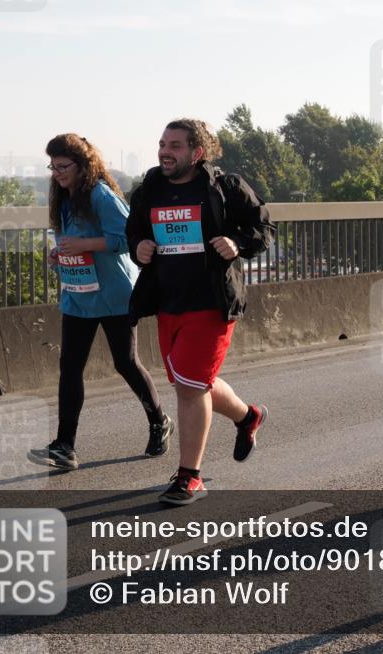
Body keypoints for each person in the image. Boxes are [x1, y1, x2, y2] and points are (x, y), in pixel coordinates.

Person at [126, 119, 274, 505]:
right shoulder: (149, 190)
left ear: (197, 152)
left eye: (174, 145)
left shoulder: (223, 187)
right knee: (192, 382)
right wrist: (139, 247)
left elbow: (264, 228)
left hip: (211, 302)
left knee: (191, 387)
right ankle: (247, 416)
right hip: (166, 301)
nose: (164, 151)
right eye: (162, 143)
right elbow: (134, 233)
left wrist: (236, 242)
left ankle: (189, 476)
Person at [27, 133, 170, 471]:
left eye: (62, 166)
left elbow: (126, 238)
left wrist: (85, 244)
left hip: (114, 293)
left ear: (82, 164)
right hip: (78, 295)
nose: (57, 173)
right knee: (70, 366)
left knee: (125, 362)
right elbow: (72, 241)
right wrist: (60, 252)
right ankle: (65, 446)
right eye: (52, 167)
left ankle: (159, 420)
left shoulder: (100, 194)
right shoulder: (64, 197)